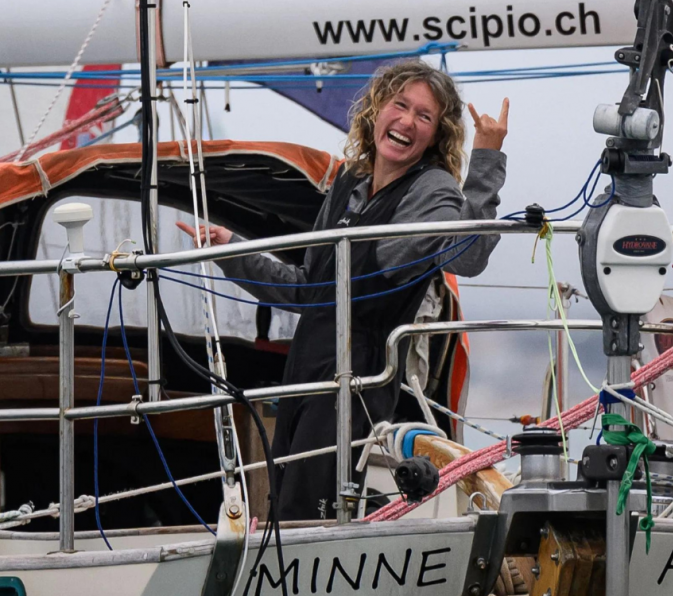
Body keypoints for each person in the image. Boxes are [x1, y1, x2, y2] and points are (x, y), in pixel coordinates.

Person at [177, 60, 508, 521]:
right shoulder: (349, 182)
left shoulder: (432, 190)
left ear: (435, 135)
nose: (408, 121)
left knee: (307, 513)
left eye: (425, 116)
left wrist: (488, 158)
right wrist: (231, 248)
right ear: (377, 110)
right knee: (286, 505)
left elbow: (467, 257)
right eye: (400, 105)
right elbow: (305, 292)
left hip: (357, 379)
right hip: (306, 368)